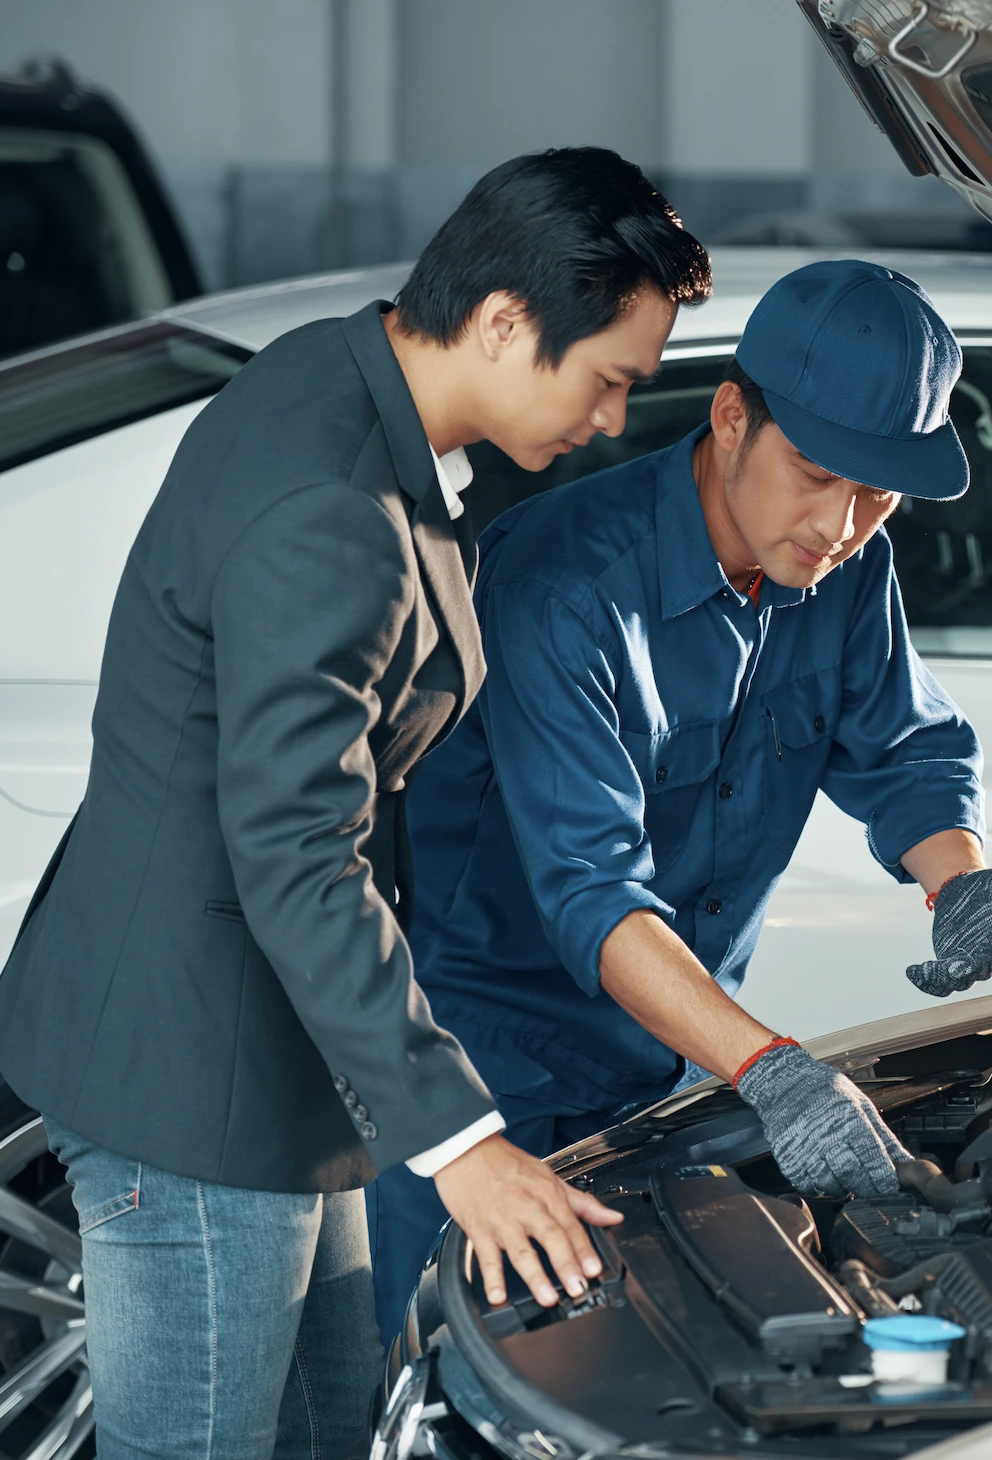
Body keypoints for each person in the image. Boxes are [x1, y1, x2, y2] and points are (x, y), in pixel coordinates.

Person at [0, 148, 711, 1458]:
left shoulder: (346, 379)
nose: (613, 422)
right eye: (607, 380)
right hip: (196, 1077)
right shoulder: (330, 504)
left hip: (274, 1054)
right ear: (504, 321)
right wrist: (464, 1144)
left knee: (329, 1432)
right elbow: (294, 843)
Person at [365, 259, 992, 1341]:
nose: (845, 521)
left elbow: (906, 743)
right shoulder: (563, 587)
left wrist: (959, 874)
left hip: (671, 1082)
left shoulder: (844, 567)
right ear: (732, 418)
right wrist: (773, 1067)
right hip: (491, 1096)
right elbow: (593, 889)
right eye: (817, 472)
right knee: (434, 1390)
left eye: (878, 492)